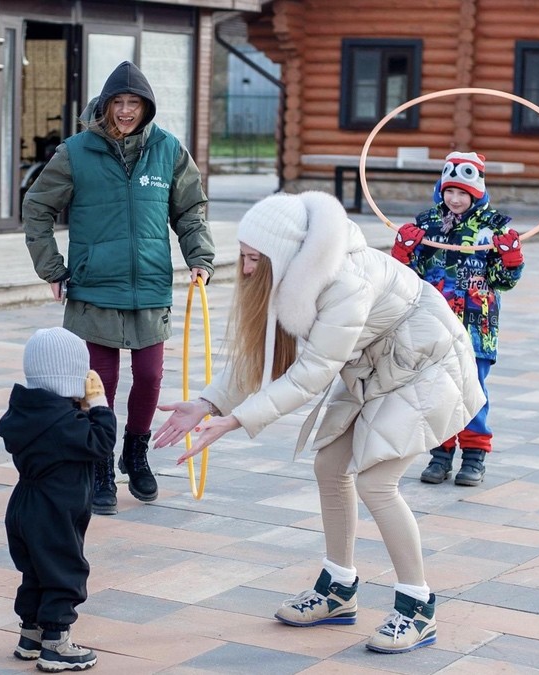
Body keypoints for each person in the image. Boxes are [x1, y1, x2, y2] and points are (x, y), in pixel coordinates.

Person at [153, 190, 486, 654]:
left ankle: (418, 606)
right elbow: (264, 353)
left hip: (427, 368)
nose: (246, 269)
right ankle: (338, 589)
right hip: (374, 367)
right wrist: (208, 403)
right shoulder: (293, 274)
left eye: (253, 259)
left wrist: (236, 421)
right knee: (330, 467)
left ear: (284, 253)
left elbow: (310, 374)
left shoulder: (345, 281)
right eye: (244, 257)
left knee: (376, 482)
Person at [22, 60, 215, 516]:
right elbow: (37, 207)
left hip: (149, 286)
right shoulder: (76, 151)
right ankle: (102, 463)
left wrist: (200, 259)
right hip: (93, 287)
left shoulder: (168, 150)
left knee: (149, 378)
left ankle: (135, 452)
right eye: (119, 103)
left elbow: (190, 210)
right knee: (99, 383)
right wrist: (52, 268)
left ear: (146, 108)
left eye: (134, 103)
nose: (126, 111)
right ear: (105, 105)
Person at [391, 151, 524, 486]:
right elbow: (410, 280)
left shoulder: (495, 227)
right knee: (437, 390)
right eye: (449, 191)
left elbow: (504, 281)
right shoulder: (426, 223)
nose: (455, 198)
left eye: (462, 192)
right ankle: (440, 455)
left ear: (476, 192)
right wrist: (403, 255)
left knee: (471, 390)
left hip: (477, 327)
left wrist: (511, 260)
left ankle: (475, 457)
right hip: (435, 325)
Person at [0, 327, 116, 672]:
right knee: (64, 569)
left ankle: (30, 635)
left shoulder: (25, 413)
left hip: (24, 503)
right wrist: (98, 404)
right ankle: (56, 644)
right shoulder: (66, 423)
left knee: (36, 568)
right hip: (55, 508)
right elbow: (102, 442)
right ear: (74, 375)